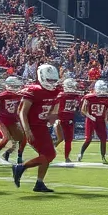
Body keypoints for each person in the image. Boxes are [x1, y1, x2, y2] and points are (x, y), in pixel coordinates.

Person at [13, 64, 64, 193]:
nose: (51, 83)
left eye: (53, 80)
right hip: (33, 127)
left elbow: (53, 109)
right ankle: (21, 167)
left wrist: (52, 117)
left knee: (47, 155)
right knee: (49, 154)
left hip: (42, 126)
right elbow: (22, 112)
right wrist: (27, 130)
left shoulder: (56, 91)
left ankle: (39, 183)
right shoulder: (34, 90)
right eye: (49, 80)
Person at [77, 80, 108, 163]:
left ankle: (103, 157)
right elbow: (83, 110)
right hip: (91, 120)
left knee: (103, 139)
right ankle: (81, 153)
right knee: (88, 139)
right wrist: (90, 116)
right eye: (102, 89)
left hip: (100, 120)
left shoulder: (107, 99)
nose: (103, 91)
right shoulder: (89, 97)